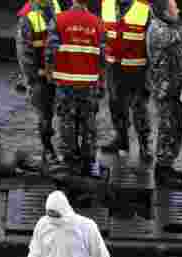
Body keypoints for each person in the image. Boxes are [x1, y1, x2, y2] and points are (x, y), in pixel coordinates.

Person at [146, 0, 182, 187]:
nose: (178, 10)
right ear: (164, 12)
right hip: (165, 90)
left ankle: (168, 166)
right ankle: (162, 172)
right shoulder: (157, 29)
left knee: (176, 129)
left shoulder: (166, 26)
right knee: (167, 129)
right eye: (173, 8)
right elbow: (177, 36)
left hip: (173, 88)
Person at [46, 0, 105, 176]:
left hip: (65, 82)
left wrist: (50, 73)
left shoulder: (59, 20)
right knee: (89, 122)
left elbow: (51, 51)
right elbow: (102, 56)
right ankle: (88, 159)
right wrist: (101, 81)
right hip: (89, 82)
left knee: (67, 121)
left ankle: (69, 160)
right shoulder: (97, 23)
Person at [100, 0, 153, 161]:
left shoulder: (144, 9)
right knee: (116, 106)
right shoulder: (107, 4)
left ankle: (145, 146)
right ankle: (121, 141)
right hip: (113, 67)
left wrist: (151, 71)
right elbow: (103, 35)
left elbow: (152, 41)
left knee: (140, 109)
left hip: (137, 68)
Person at [16, 0, 63, 163]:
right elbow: (24, 52)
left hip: (58, 73)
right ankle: (48, 148)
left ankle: (64, 149)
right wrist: (35, 76)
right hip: (40, 77)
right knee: (45, 115)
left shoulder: (55, 5)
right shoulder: (28, 15)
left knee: (65, 113)